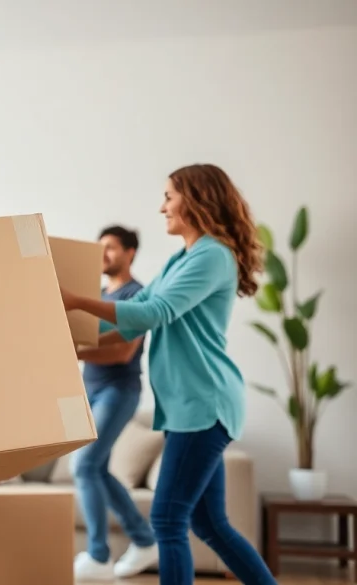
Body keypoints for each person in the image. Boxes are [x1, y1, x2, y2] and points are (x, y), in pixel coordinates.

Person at [60, 163, 275, 585]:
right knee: (209, 525)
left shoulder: (212, 256)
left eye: (169, 197)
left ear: (194, 200)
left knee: (168, 519)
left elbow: (152, 312)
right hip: (188, 408)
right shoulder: (184, 258)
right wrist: (70, 337)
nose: (162, 207)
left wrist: (78, 301)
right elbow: (134, 324)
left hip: (204, 403)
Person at [70, 225, 158, 581]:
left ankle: (98, 555)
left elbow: (123, 353)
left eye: (111, 247)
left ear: (130, 252)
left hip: (118, 391)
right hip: (89, 390)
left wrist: (74, 352)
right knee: (99, 470)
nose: (103, 253)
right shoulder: (96, 294)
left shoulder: (136, 294)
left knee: (84, 466)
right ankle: (143, 539)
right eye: (99, 247)